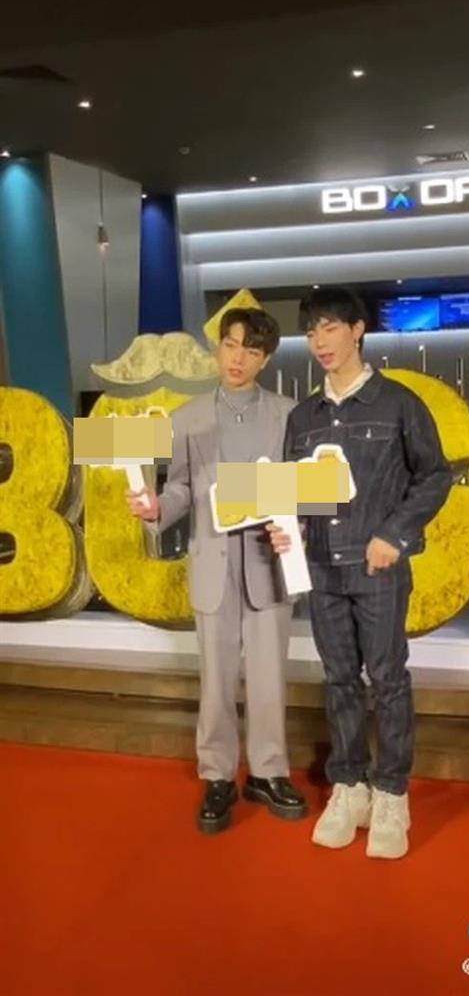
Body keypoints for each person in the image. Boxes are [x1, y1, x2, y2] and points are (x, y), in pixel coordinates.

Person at [268, 287, 451, 859]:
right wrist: (290, 529)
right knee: (339, 679)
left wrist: (395, 534)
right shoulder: (302, 417)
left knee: (388, 679)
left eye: (329, 328)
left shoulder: (397, 403)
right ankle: (349, 787)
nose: (319, 342)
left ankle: (392, 793)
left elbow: (435, 476)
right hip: (322, 570)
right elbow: (295, 494)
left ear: (357, 330)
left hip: (378, 569)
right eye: (311, 332)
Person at [127, 307, 307, 834]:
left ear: (266, 359)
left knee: (270, 678)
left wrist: (295, 527)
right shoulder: (188, 417)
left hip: (270, 562)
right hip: (212, 561)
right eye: (231, 345)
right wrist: (158, 508)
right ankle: (218, 775)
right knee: (217, 678)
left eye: (251, 350)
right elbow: (181, 486)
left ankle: (269, 771)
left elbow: (303, 489)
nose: (238, 358)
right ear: (218, 348)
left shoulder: (290, 415)